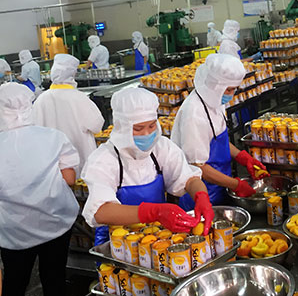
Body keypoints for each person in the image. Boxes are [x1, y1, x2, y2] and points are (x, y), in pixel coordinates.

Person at [82, 88, 213, 243]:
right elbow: (101, 211)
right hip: (118, 244)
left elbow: (188, 179)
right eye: (138, 129)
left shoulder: (161, 147)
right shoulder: (103, 160)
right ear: (122, 127)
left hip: (157, 237)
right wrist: (154, 212)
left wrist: (201, 196)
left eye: (151, 126)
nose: (146, 134)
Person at [0, 83, 80, 296]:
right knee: (54, 278)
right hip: (54, 221)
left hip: (13, 232)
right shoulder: (52, 137)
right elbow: (70, 178)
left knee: (14, 283)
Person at [171, 54, 267, 208]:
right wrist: (236, 184)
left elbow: (218, 139)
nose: (231, 94)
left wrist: (243, 157)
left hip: (221, 182)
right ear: (214, 85)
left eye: (234, 89)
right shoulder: (194, 114)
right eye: (229, 89)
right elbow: (198, 166)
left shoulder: (215, 100)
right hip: (201, 192)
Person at [33, 54, 105, 174]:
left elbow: (35, 129)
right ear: (72, 74)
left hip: (54, 164)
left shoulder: (41, 100)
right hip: (82, 158)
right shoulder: (79, 98)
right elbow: (97, 125)